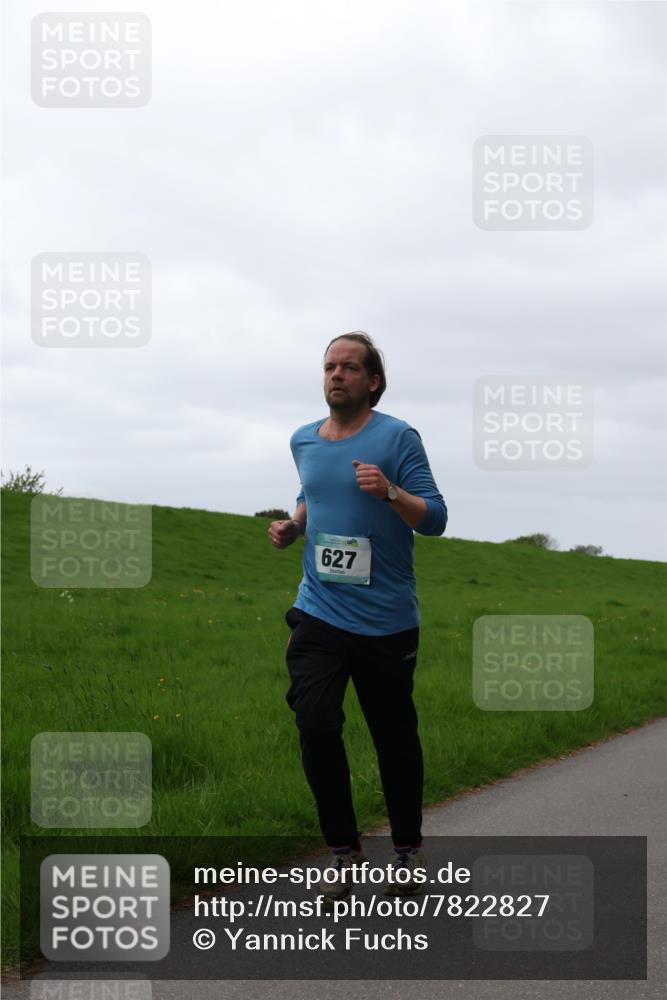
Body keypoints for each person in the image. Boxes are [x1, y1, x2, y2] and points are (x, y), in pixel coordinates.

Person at [268, 331, 447, 899]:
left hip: (386, 621)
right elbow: (313, 492)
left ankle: (408, 849)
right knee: (316, 722)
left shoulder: (397, 438)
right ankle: (343, 852)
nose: (335, 375)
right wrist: (296, 523)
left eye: (348, 367)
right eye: (329, 367)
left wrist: (390, 491)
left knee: (393, 737)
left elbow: (435, 518)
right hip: (318, 609)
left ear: (372, 381)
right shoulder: (303, 440)